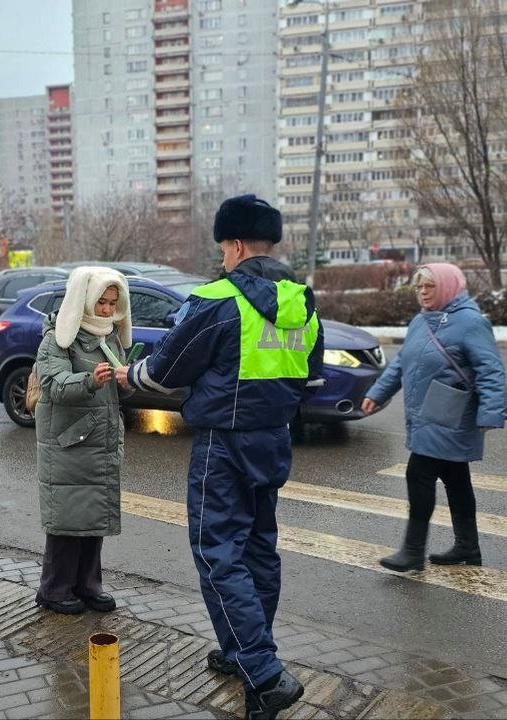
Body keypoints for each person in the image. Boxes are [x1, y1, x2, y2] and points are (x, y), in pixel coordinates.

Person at [115, 194, 323, 720]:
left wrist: (128, 376)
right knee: (259, 550)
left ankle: (264, 671)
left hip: (223, 445)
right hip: (273, 439)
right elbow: (311, 379)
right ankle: (245, 655)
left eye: (223, 249)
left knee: (216, 553)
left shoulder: (219, 299)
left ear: (233, 245)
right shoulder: (303, 301)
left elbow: (165, 369)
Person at [362, 263, 507, 572]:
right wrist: (377, 393)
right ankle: (468, 547)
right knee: (456, 479)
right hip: (425, 412)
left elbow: (490, 369)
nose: (423, 293)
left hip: (451, 412)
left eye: (430, 286)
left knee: (419, 473)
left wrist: (490, 413)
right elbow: (401, 363)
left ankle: (413, 551)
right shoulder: (420, 321)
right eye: (419, 287)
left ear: (448, 286)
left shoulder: (470, 322)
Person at [32, 265, 132, 615]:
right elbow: (54, 385)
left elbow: (117, 391)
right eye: (100, 303)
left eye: (111, 303)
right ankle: (54, 589)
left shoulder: (109, 336)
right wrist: (89, 380)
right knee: (68, 521)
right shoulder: (58, 338)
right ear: (85, 301)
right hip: (70, 443)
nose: (106, 310)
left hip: (99, 443)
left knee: (92, 520)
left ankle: (89, 586)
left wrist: (126, 382)